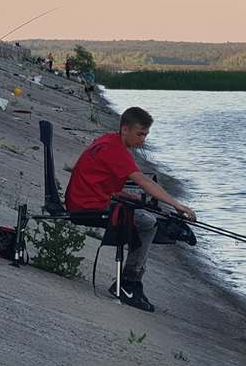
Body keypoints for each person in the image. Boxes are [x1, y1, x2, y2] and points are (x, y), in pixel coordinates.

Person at [64, 106, 196, 311]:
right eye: (140, 134)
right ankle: (129, 281)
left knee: (141, 209)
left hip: (83, 199)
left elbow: (97, 178)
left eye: (146, 135)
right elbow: (144, 181)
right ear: (125, 129)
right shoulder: (117, 151)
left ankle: (133, 275)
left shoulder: (107, 140)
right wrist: (177, 204)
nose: (143, 140)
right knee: (148, 222)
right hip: (86, 207)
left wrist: (123, 195)